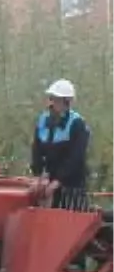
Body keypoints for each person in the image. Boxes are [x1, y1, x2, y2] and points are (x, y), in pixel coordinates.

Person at [32, 78, 91, 207]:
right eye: (52, 99)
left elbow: (75, 158)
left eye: (58, 100)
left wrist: (58, 181)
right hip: (50, 184)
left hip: (72, 185)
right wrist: (38, 175)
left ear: (67, 102)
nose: (53, 103)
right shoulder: (43, 121)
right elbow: (36, 150)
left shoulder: (77, 124)